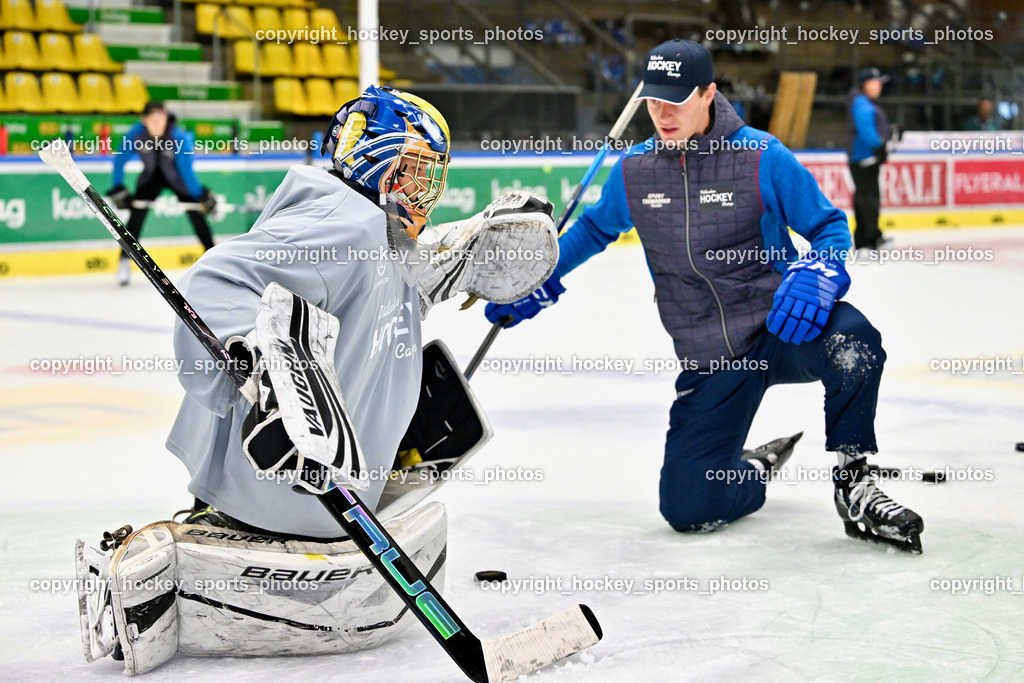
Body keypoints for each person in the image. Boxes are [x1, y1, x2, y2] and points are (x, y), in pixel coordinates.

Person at [75, 85, 559, 673]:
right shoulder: (342, 222)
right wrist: (259, 367)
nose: (425, 191)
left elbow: (397, 277)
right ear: (375, 158)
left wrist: (465, 250)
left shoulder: (375, 228)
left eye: (432, 177)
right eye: (416, 172)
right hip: (277, 493)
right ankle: (220, 523)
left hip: (335, 490)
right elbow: (215, 285)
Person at [486, 40, 924, 554]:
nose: (663, 114)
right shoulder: (636, 170)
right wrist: (539, 277)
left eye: (677, 99)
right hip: (711, 356)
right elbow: (594, 229)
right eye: (653, 101)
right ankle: (753, 469)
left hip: (783, 327)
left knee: (853, 340)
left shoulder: (762, 156)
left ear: (708, 93)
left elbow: (828, 226)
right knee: (689, 508)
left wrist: (820, 269)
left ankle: (855, 482)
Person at [107, 101, 217, 286]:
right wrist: (118, 188)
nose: (157, 124)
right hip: (150, 179)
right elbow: (119, 161)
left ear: (166, 118)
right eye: (152, 120)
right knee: (137, 216)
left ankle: (213, 261)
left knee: (197, 215)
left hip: (178, 180)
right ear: (144, 120)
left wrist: (200, 196)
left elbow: (186, 170)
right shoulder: (136, 135)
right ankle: (124, 261)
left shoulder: (179, 137)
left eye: (160, 119)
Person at [847, 67, 891, 251]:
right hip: (864, 157)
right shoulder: (862, 103)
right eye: (876, 82)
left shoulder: (863, 102)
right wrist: (878, 145)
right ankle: (868, 238)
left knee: (866, 196)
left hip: (864, 156)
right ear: (867, 83)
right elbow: (865, 128)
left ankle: (868, 237)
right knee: (868, 197)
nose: (879, 86)